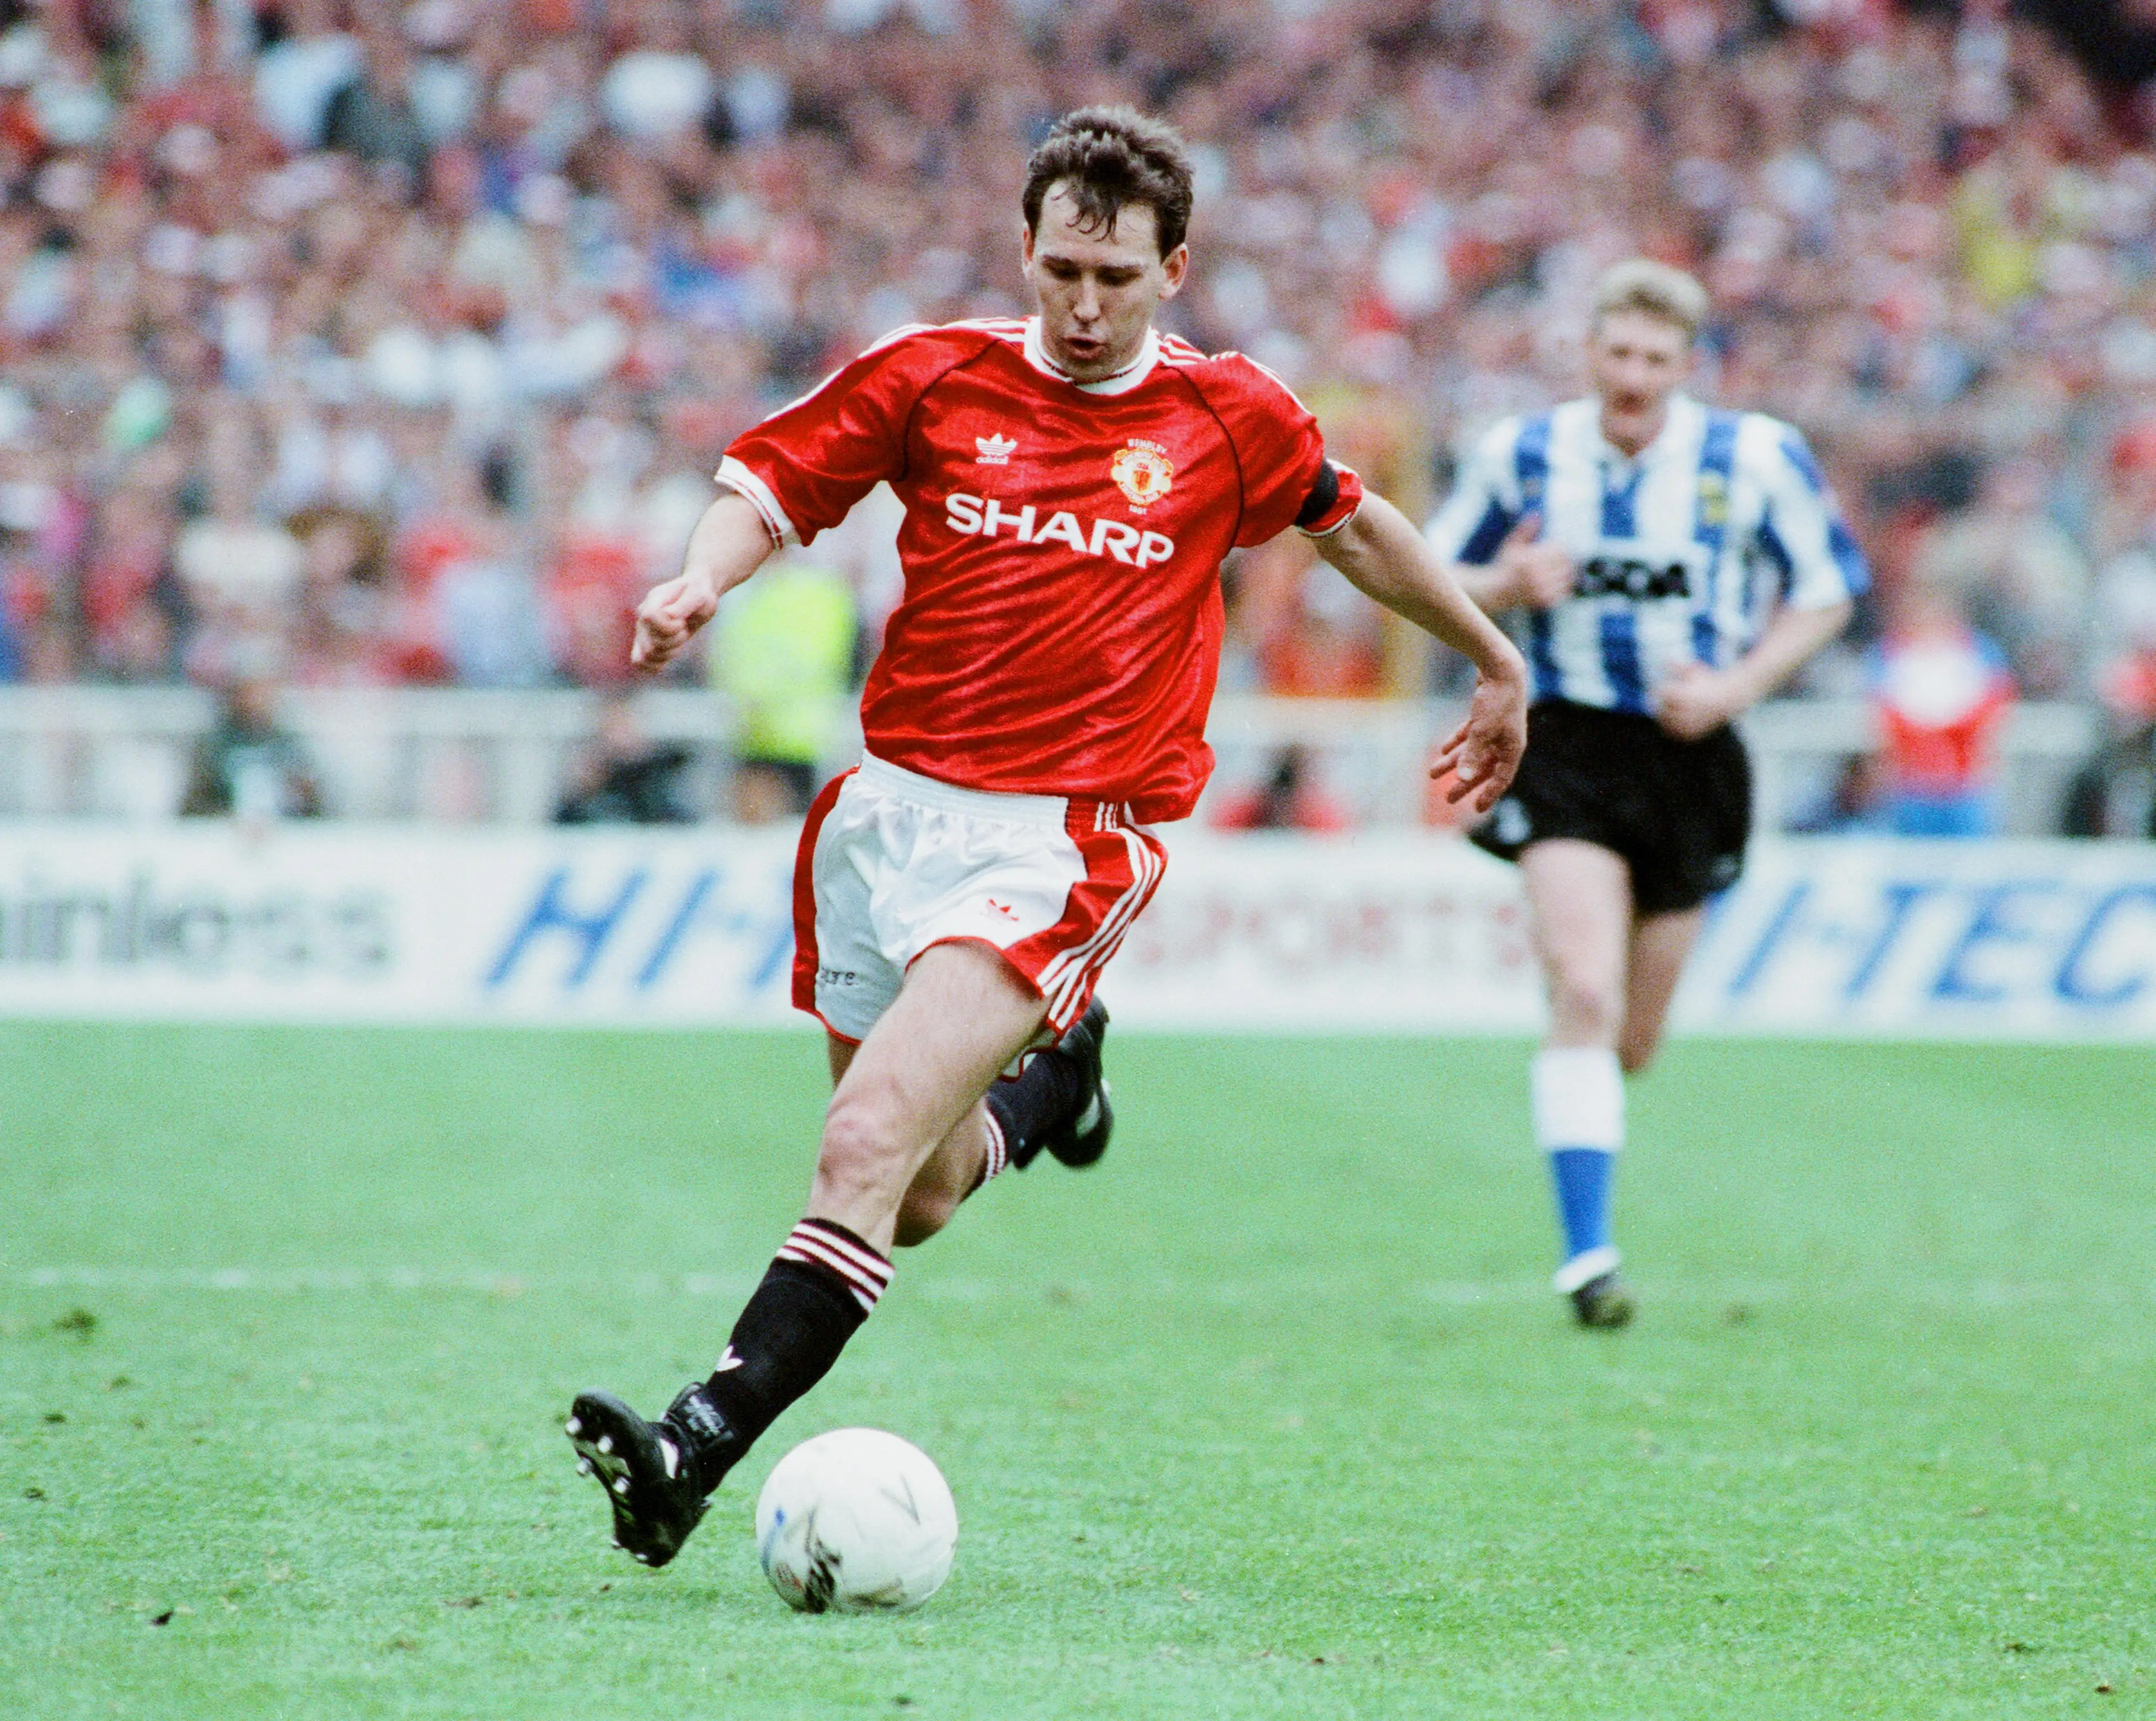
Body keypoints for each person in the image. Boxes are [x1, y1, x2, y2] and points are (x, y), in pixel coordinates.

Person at [565, 107, 1531, 1569]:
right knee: (920, 1192)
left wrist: (1493, 657)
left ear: (1173, 271)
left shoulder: (1227, 416)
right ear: (1026, 249)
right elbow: (770, 486)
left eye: (1117, 279)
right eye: (1063, 270)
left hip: (1059, 845)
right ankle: (1054, 1088)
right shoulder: (933, 374)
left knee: (862, 1140)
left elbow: (1354, 527)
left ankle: (692, 1447)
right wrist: (702, 579)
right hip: (888, 820)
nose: (1085, 306)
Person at [1426, 259, 1863, 1329]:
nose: (1633, 376)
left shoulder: (1753, 457)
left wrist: (1736, 687)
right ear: (1588, 352)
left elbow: (1828, 591)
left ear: (1688, 364)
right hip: (1567, 742)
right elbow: (1429, 572)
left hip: (1690, 753)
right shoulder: (1523, 452)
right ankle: (1590, 1260)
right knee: (1584, 991)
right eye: (1618, 353)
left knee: (1630, 1045)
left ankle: (1584, 1098)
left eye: (1656, 359)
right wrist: (1505, 585)